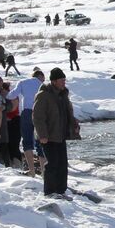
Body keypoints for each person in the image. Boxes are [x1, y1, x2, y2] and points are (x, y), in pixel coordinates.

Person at [34, 67, 79, 198]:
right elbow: (37, 116)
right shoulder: (43, 95)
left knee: (62, 164)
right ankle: (49, 192)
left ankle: (61, 191)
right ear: (54, 81)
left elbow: (67, 113)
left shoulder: (63, 94)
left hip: (61, 135)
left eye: (64, 80)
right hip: (48, 136)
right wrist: (42, 135)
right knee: (52, 164)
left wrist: (74, 125)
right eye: (61, 80)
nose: (64, 82)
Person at [10, 69, 46, 175]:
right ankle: (44, 172)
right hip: (39, 113)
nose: (43, 81)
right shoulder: (43, 86)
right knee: (41, 141)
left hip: (26, 112)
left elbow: (12, 95)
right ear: (40, 76)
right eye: (43, 79)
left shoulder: (23, 82)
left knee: (27, 141)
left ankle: (32, 171)